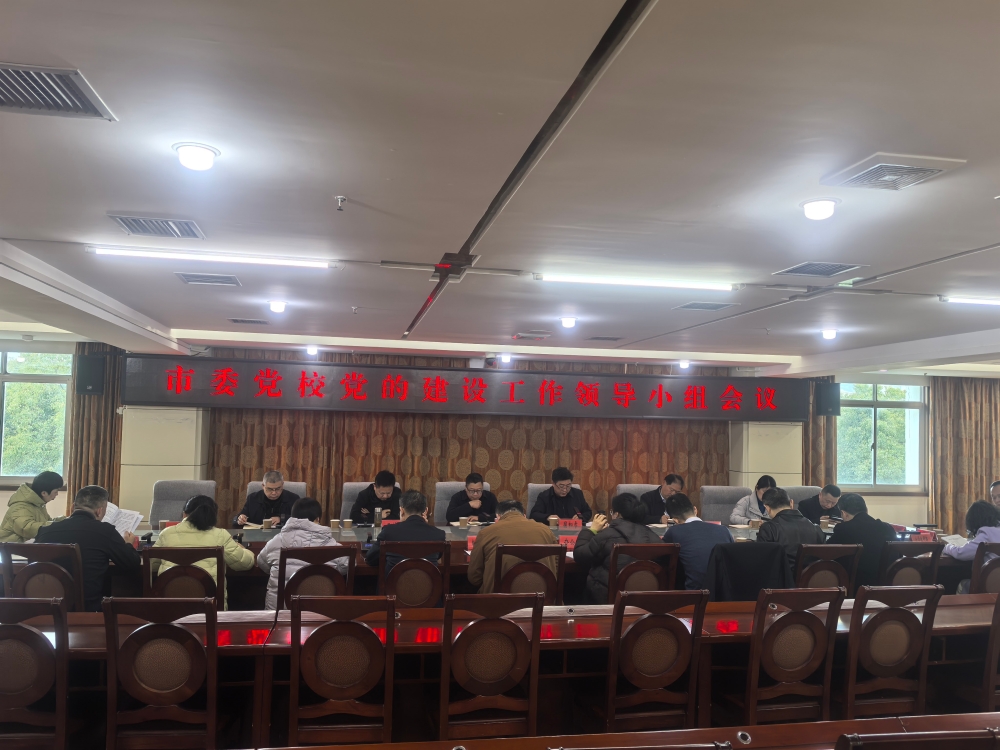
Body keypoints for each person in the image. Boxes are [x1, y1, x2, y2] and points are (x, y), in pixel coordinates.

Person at [34, 485, 140, 611]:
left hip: (47, 609)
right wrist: (128, 544)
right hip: (89, 609)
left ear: (73, 507)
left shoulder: (45, 531)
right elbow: (132, 564)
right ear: (99, 511)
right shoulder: (105, 531)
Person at [153, 495, 255, 609]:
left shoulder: (166, 534)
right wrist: (244, 550)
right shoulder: (220, 535)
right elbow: (244, 564)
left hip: (169, 609)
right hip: (209, 609)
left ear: (184, 514)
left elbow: (152, 565)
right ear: (214, 516)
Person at [257, 497, 347, 610]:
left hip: (280, 614)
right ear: (318, 519)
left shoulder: (276, 541)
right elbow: (347, 565)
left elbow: (261, 562)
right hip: (321, 614)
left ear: (292, 517)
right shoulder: (331, 544)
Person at [574, 493, 665, 603]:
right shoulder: (655, 538)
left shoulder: (607, 535)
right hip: (647, 601)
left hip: (608, 598)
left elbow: (580, 555)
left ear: (616, 514)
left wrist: (591, 530)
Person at [468, 499, 557, 593]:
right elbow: (557, 568)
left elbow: (474, 578)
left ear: (498, 517)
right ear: (524, 516)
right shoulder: (546, 531)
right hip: (544, 598)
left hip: (498, 600)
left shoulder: (485, 533)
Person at [662, 492, 734, 590]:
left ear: (675, 520)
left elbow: (662, 559)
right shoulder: (724, 530)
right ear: (695, 510)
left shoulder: (674, 532)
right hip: (725, 592)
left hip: (695, 593)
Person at [827, 493, 898, 589]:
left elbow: (827, 553)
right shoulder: (887, 528)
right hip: (885, 587)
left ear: (844, 514)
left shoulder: (844, 529)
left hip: (854, 587)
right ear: (866, 510)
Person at [366, 490, 447, 573]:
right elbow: (437, 557)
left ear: (401, 510)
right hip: (429, 581)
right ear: (426, 511)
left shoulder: (388, 532)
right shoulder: (439, 534)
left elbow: (370, 559)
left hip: (395, 581)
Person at [756, 488, 825, 568]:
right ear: (791, 503)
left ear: (767, 508)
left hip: (782, 575)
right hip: (811, 575)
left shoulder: (768, 528)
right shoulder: (815, 528)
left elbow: (762, 560)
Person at [943, 500, 1000, 594]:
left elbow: (961, 553)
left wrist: (947, 547)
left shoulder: (986, 533)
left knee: (962, 583)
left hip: (988, 589)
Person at [0, 470, 64, 542]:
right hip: (9, 547)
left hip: (21, 546)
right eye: (55, 491)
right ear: (44, 493)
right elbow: (27, 528)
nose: (57, 494)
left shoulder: (38, 504)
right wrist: (57, 526)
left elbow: (47, 522)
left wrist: (66, 521)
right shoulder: (20, 507)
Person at [232, 470, 299, 528]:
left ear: (282, 485)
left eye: (278, 489)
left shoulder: (293, 499)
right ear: (263, 486)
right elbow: (236, 520)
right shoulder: (252, 499)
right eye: (269, 489)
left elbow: (302, 521)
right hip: (257, 536)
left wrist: (282, 518)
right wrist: (240, 519)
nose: (274, 493)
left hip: (284, 536)